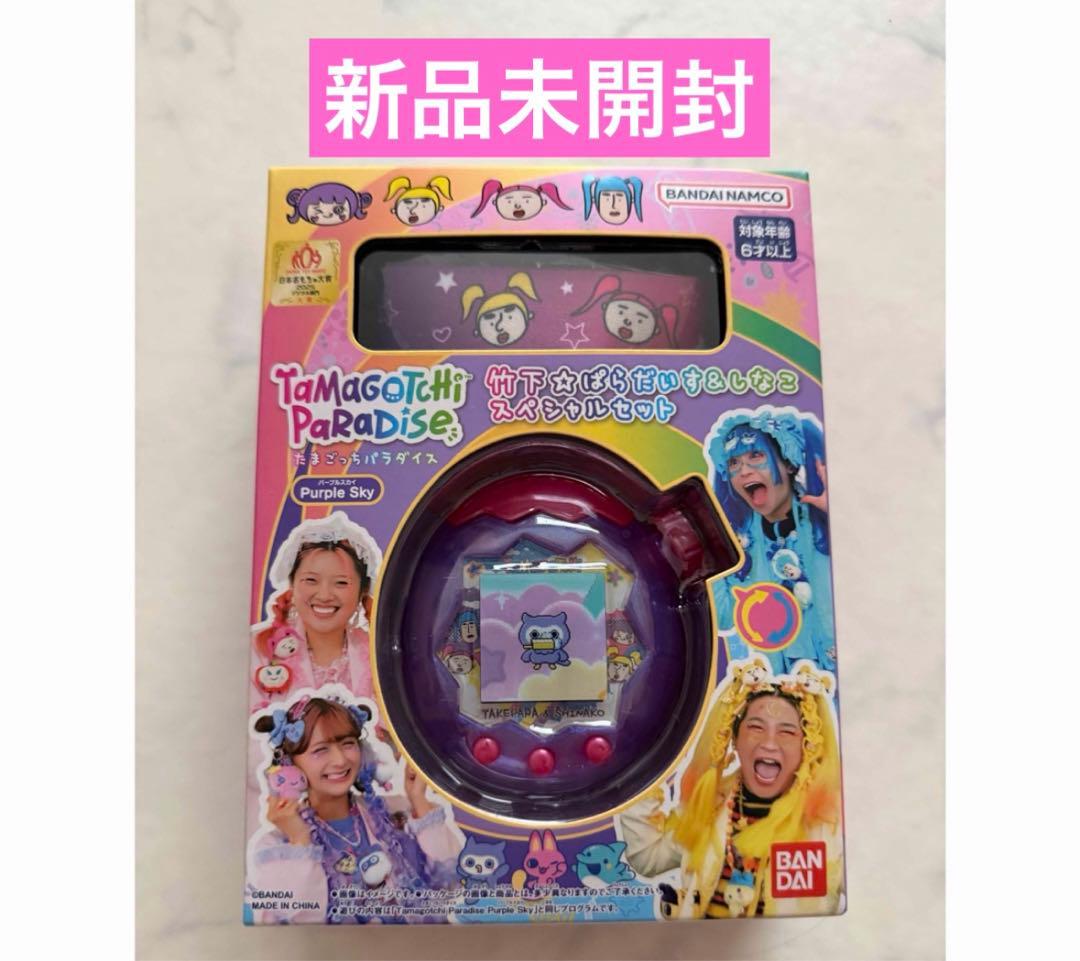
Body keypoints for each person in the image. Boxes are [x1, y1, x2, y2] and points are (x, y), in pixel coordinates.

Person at [619, 659, 843, 919]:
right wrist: (644, 768)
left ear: (807, 745)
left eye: (787, 732)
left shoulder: (830, 822)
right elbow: (648, 858)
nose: (769, 743)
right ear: (735, 738)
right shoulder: (708, 804)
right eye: (756, 727)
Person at [249, 695, 462, 924]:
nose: (340, 760)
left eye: (347, 744)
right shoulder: (277, 846)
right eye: (320, 750)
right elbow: (298, 924)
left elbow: (452, 884)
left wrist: (419, 800)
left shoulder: (398, 812)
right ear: (289, 766)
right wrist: (299, 840)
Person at [705, 406, 836, 673]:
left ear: (788, 462)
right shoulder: (739, 542)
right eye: (733, 463)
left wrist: (838, 516)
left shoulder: (823, 522)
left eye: (755, 455)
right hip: (776, 679)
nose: (743, 471)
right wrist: (709, 552)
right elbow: (725, 617)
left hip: (836, 672)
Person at [251, 512, 382, 706]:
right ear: (292, 583)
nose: (324, 595)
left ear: (362, 590)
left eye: (341, 582)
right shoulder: (257, 649)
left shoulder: (378, 655)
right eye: (311, 580)